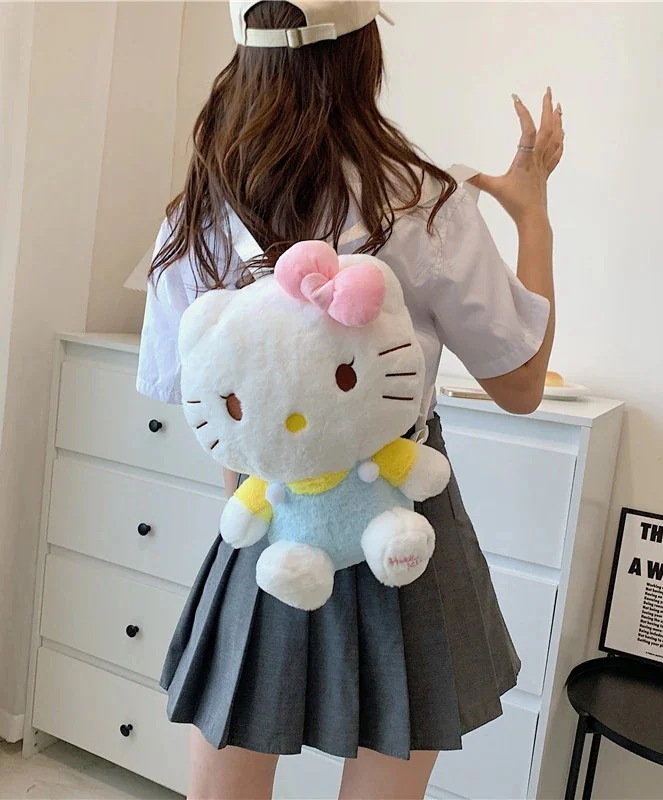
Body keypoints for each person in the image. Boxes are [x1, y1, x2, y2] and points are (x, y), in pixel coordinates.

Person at [136, 2, 563, 798]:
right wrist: (532, 212)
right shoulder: (424, 202)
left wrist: (258, 510)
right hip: (404, 523)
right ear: (362, 53)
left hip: (268, 517)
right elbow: (522, 384)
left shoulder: (195, 216)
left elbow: (210, 420)